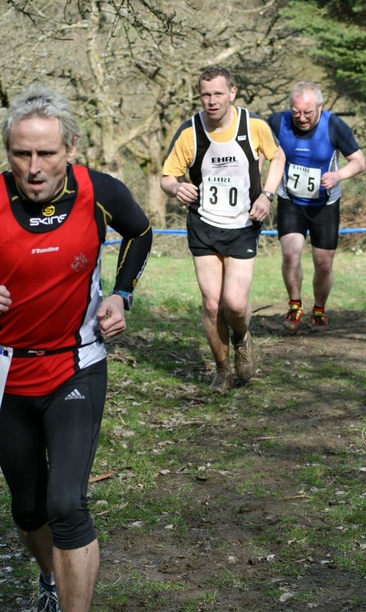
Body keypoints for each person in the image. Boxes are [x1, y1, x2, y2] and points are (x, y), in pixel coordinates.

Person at [0, 84, 152, 611]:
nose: (33, 168)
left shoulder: (98, 191)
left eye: (46, 153)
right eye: (21, 154)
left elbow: (140, 232)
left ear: (69, 148)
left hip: (75, 365)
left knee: (66, 504)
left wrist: (121, 294)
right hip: (7, 375)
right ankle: (50, 578)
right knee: (28, 508)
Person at [161, 65, 285, 394]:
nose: (212, 101)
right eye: (205, 95)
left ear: (232, 92)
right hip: (203, 223)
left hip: (243, 224)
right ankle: (222, 370)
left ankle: (242, 337)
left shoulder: (253, 125)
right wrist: (176, 188)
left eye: (218, 93)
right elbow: (167, 177)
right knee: (212, 304)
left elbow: (278, 157)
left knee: (235, 304)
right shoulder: (189, 132)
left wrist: (267, 195)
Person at [267, 81, 366, 332]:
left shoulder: (334, 125)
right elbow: (259, 152)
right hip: (291, 201)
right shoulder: (277, 122)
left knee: (323, 263)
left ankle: (319, 310)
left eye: (307, 112)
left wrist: (338, 175)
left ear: (320, 107)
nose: (301, 118)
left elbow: (359, 162)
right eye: (296, 112)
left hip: (325, 204)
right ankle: (295, 305)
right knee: (290, 255)